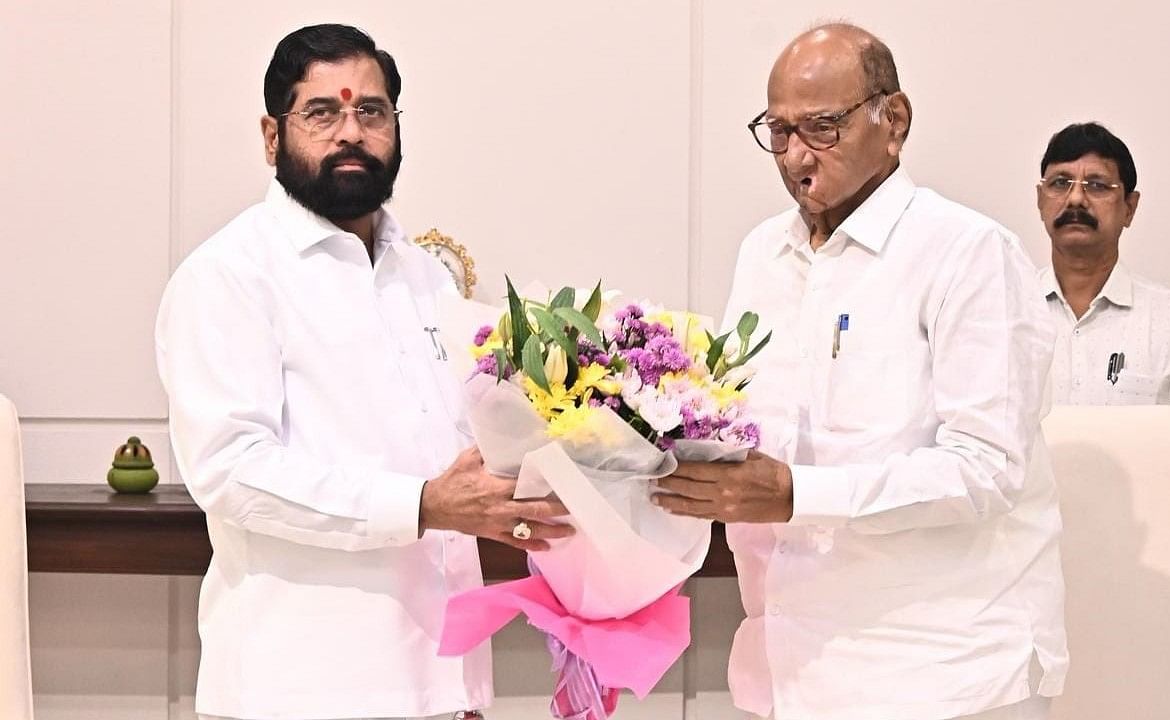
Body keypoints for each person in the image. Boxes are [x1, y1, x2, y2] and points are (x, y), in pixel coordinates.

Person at [155, 24, 570, 720]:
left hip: (444, 682)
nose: (351, 132)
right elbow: (232, 470)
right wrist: (422, 505)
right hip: (304, 687)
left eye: (371, 112)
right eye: (323, 113)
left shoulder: (426, 276)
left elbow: (466, 457)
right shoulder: (229, 276)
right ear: (270, 134)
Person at [652, 24, 1066, 720]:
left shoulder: (965, 253)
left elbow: (986, 469)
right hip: (787, 664)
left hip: (939, 673)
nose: (794, 155)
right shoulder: (762, 254)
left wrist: (796, 494)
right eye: (777, 131)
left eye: (821, 127)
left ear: (893, 121)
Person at [1035, 122, 1170, 406]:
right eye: (1060, 183)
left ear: (1129, 207)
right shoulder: (1005, 314)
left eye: (1097, 185)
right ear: (1040, 200)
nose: (1076, 199)